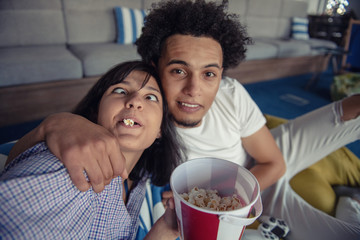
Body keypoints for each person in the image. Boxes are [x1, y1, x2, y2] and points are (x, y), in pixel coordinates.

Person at [6, 0, 360, 239]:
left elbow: (273, 161)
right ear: (157, 70)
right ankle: (350, 203)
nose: (194, 90)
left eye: (209, 74)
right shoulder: (146, 128)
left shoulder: (230, 94)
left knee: (351, 110)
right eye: (178, 70)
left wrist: (235, 195)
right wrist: (53, 124)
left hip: (262, 166)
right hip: (246, 195)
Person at [0, 61, 183, 239]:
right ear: (96, 112)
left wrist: (166, 230)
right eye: (120, 90)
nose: (135, 101)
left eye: (151, 97)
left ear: (160, 128)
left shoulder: (141, 180)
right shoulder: (67, 174)